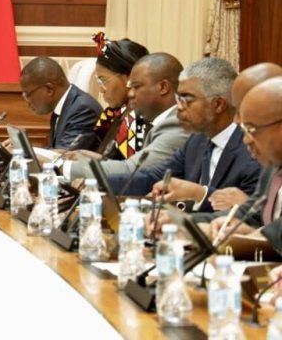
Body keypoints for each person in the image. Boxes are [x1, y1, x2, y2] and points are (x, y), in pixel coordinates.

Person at [111, 57, 259, 212]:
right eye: (178, 98)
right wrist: (97, 180)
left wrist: (200, 195)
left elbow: (250, 215)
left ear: (218, 104)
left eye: (186, 99)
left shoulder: (252, 150)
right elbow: (152, 178)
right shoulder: (197, 140)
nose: (179, 107)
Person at [64, 53, 189, 179]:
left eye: (136, 87)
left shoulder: (177, 124)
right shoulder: (160, 121)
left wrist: (64, 167)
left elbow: (133, 171)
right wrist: (98, 160)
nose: (130, 94)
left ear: (163, 87)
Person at [205, 68, 282, 248]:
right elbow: (251, 215)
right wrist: (186, 223)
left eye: (251, 129)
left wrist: (257, 236)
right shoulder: (273, 164)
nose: (246, 139)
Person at [18, 57, 101, 150]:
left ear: (49, 89)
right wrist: (25, 148)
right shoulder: (63, 108)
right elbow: (56, 150)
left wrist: (26, 150)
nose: (27, 101)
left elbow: (65, 154)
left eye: (28, 94)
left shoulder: (83, 109)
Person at [88, 34, 149, 155]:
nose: (101, 90)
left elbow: (131, 165)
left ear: (129, 77)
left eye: (103, 80)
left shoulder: (141, 121)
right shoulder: (114, 115)